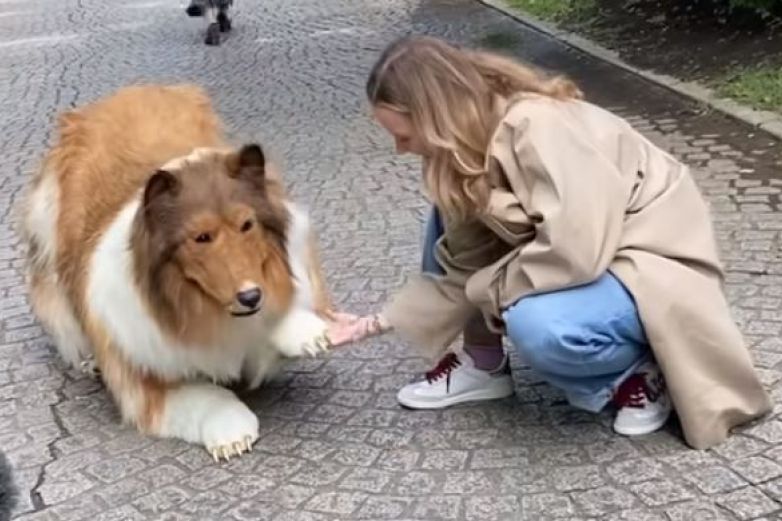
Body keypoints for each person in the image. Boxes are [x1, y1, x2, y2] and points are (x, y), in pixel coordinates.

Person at [324, 35, 771, 449]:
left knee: (541, 325)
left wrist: (488, 290)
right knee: (448, 213)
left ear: (436, 117)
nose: (401, 149)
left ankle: (636, 372)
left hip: (649, 259)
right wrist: (372, 323)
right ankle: (483, 366)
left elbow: (575, 252)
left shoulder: (538, 126)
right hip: (593, 254)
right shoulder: (460, 150)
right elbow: (461, 264)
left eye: (403, 135)